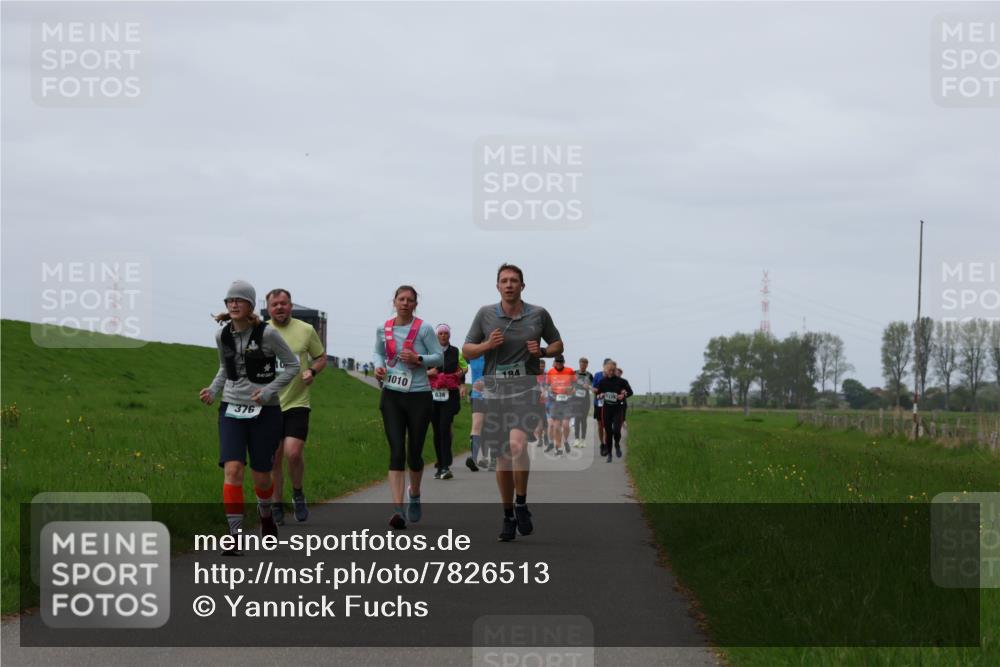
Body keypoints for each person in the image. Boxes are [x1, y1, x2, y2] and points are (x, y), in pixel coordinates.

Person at [463, 264, 563, 542]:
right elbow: (467, 349)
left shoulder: (538, 314)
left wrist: (542, 350)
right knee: (503, 457)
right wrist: (486, 346)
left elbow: (558, 344)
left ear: (522, 286)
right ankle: (508, 513)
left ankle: (521, 502)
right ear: (497, 286)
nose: (509, 285)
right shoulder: (485, 315)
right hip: (496, 392)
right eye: (504, 281)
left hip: (525, 390)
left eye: (514, 281)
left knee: (517, 445)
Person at [200, 280, 300, 552]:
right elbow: (225, 367)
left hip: (264, 412)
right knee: (233, 470)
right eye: (229, 300)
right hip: (231, 409)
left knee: (262, 477)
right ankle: (234, 534)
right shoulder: (222, 336)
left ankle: (265, 514)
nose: (233, 304)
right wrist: (213, 389)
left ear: (250, 306)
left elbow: (293, 366)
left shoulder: (267, 334)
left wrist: (269, 391)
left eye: (238, 300)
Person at [373, 285, 443, 529]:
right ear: (394, 301)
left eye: (409, 300)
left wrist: (419, 359)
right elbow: (378, 353)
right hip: (392, 395)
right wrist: (378, 367)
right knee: (396, 452)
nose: (404, 303)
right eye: (401, 299)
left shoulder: (424, 329)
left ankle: (414, 495)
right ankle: (397, 509)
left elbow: (439, 357)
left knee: (414, 453)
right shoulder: (384, 328)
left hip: (419, 397)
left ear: (415, 304)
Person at [265, 288, 326, 525]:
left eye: (284, 303)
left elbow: (321, 358)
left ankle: (298, 493)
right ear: (269, 309)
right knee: (274, 458)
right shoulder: (262, 332)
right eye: (275, 304)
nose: (280, 307)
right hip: (270, 404)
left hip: (297, 402)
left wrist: (312, 370)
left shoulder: (305, 330)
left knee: (292, 452)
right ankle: (277, 503)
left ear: (291, 305)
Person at [428, 324, 467, 480]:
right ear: (436, 336)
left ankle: (445, 466)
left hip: (449, 395)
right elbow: (421, 368)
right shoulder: (430, 351)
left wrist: (461, 380)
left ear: (449, 335)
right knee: (437, 430)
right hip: (432, 395)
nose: (443, 336)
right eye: (440, 333)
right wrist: (429, 373)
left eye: (446, 333)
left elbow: (461, 369)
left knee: (445, 428)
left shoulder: (455, 351)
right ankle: (440, 463)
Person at [594, 360, 633, 462]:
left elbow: (630, 392)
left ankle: (617, 444)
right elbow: (597, 395)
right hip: (606, 409)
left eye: (613, 370)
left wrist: (622, 395)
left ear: (615, 370)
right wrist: (600, 395)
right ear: (606, 370)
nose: (611, 372)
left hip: (617, 409)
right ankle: (610, 455)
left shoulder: (622, 381)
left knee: (616, 431)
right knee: (608, 432)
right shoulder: (602, 382)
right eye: (609, 370)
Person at [463, 354, 490, 471]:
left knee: (490, 427)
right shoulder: (471, 355)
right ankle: (473, 459)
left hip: (494, 396)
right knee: (477, 426)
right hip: (477, 395)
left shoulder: (496, 353)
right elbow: (459, 363)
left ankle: (490, 458)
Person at [546, 354, 576, 455]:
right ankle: (558, 447)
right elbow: (547, 385)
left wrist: (572, 389)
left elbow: (575, 384)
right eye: (557, 362)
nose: (558, 364)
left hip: (567, 401)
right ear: (555, 362)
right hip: (555, 401)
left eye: (560, 362)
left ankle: (566, 441)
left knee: (566, 425)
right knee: (556, 425)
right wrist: (549, 389)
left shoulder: (570, 371)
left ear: (563, 362)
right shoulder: (550, 372)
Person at [591, 357, 612, 455]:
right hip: (598, 403)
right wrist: (599, 391)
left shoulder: (612, 377)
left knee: (607, 425)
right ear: (604, 366)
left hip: (609, 404)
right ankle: (602, 444)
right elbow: (593, 388)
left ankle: (607, 444)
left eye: (610, 366)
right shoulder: (597, 375)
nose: (609, 367)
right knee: (600, 425)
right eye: (607, 365)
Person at [573, 357, 594, 446]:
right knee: (577, 418)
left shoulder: (590, 375)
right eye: (581, 364)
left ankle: (583, 440)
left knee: (583, 419)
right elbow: (569, 383)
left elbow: (593, 387)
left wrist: (588, 387)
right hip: (576, 399)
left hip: (585, 399)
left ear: (587, 365)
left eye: (585, 364)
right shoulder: (574, 373)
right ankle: (577, 439)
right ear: (579, 364)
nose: (583, 365)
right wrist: (572, 389)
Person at [616, 366, 634, 432]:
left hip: (621, 403)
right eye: (616, 372)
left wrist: (624, 395)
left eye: (619, 373)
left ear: (621, 374)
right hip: (611, 404)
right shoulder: (610, 381)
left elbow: (630, 392)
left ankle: (619, 430)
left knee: (620, 419)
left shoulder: (624, 382)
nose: (617, 374)